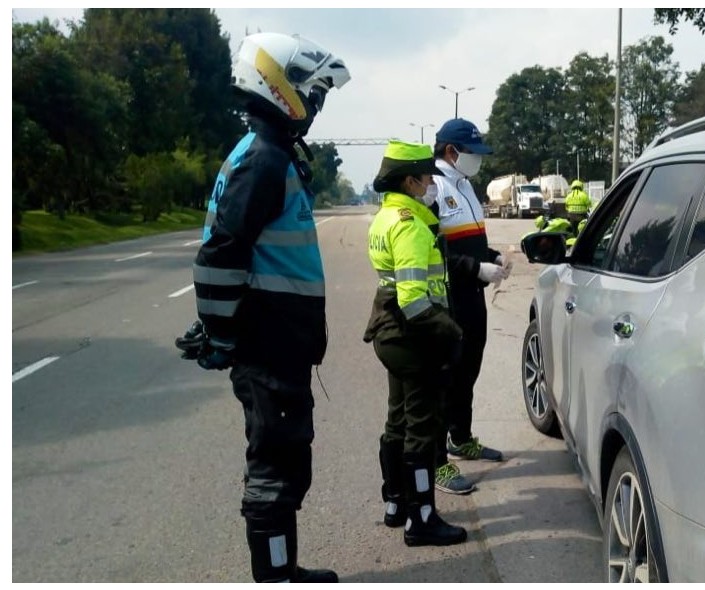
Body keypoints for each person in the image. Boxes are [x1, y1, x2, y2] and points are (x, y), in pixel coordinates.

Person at [187, 32, 349, 583]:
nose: (318, 105)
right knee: (275, 466)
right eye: (315, 93)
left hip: (276, 340)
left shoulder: (268, 153)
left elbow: (241, 255)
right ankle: (276, 578)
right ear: (279, 86)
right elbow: (220, 252)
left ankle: (286, 569)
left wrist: (220, 324)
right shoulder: (262, 158)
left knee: (286, 457)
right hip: (269, 345)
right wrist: (221, 332)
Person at [363, 140, 469, 546]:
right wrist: (452, 333)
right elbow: (414, 301)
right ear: (410, 180)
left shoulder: (386, 216)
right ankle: (421, 519)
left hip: (390, 333)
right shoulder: (409, 224)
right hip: (412, 336)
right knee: (422, 430)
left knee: (398, 420)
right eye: (427, 178)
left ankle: (395, 504)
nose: (431, 185)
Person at [430, 118, 510, 495]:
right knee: (443, 379)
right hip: (447, 299)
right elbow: (432, 252)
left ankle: (459, 438)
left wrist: (492, 257)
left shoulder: (465, 186)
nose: (477, 160)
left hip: (472, 296)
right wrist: (475, 267)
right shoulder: (432, 187)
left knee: (468, 372)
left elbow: (470, 242)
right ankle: (435, 463)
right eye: (471, 153)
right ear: (451, 152)